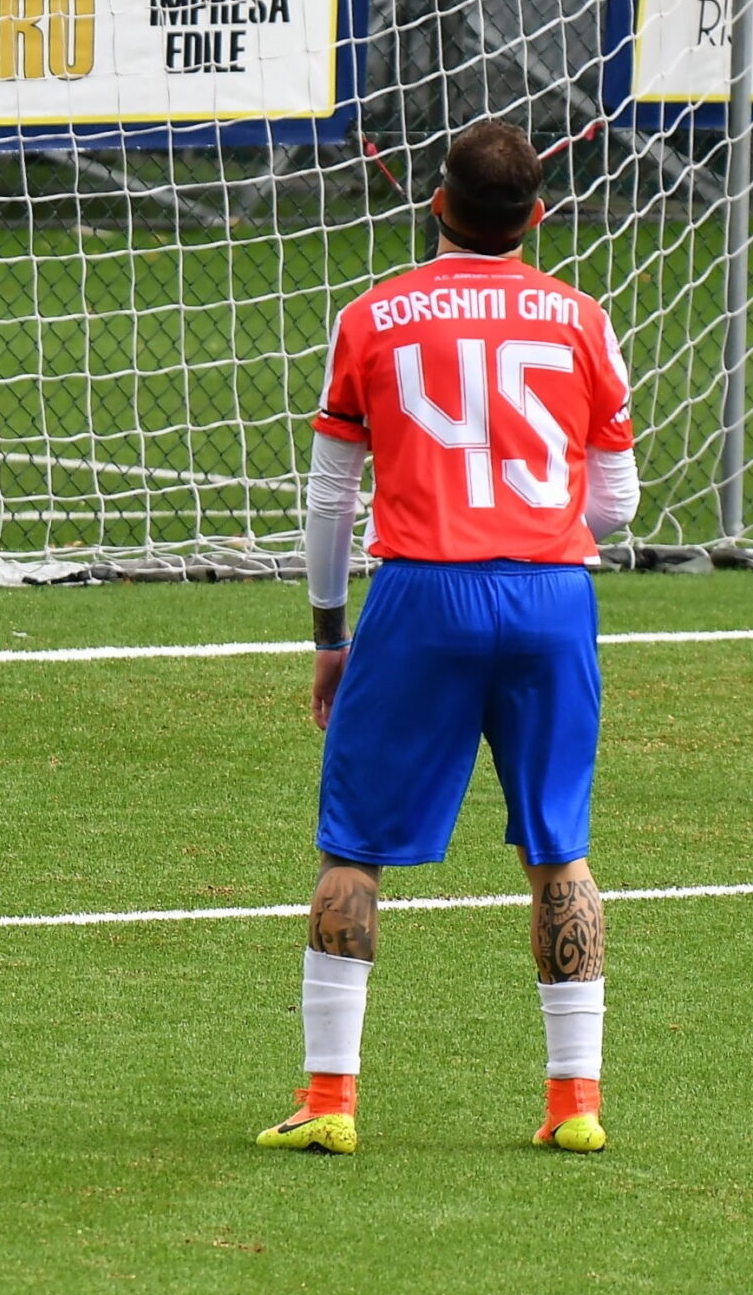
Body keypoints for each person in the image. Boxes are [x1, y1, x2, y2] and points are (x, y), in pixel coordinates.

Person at [259, 119, 638, 1158]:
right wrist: (539, 538)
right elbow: (615, 496)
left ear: (435, 205)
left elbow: (331, 498)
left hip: (421, 596)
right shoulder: (581, 319)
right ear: (538, 215)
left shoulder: (374, 314)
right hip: (553, 597)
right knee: (560, 850)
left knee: (353, 850)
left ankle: (330, 1100)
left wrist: (330, 632)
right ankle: (575, 1105)